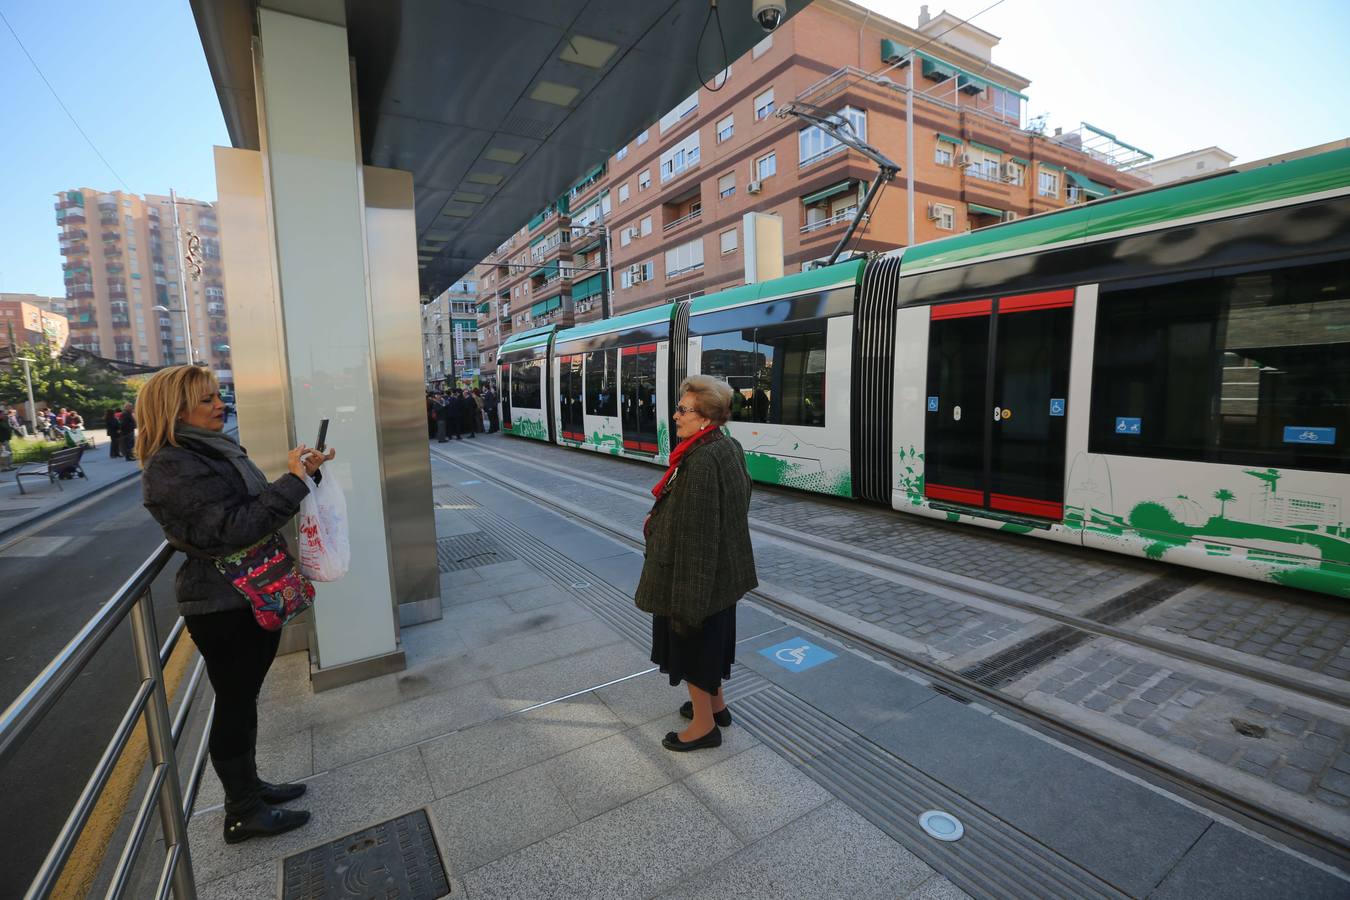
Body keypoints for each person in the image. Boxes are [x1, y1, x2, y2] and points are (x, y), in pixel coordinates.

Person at [138, 364, 334, 845]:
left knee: (242, 702)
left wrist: (302, 476)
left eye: (216, 395)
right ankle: (242, 810)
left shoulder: (206, 451)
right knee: (235, 703)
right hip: (225, 604)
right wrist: (291, 484)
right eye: (206, 399)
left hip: (240, 599)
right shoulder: (173, 464)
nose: (218, 403)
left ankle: (250, 789)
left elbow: (246, 508)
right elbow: (229, 531)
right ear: (176, 409)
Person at [634, 375, 757, 752]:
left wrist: (688, 602)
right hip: (721, 577)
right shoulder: (725, 445)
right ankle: (716, 707)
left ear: (706, 417)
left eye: (683, 409)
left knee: (694, 646)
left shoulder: (701, 461)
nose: (675, 416)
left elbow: (698, 535)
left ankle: (704, 727)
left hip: (694, 578)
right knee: (713, 643)